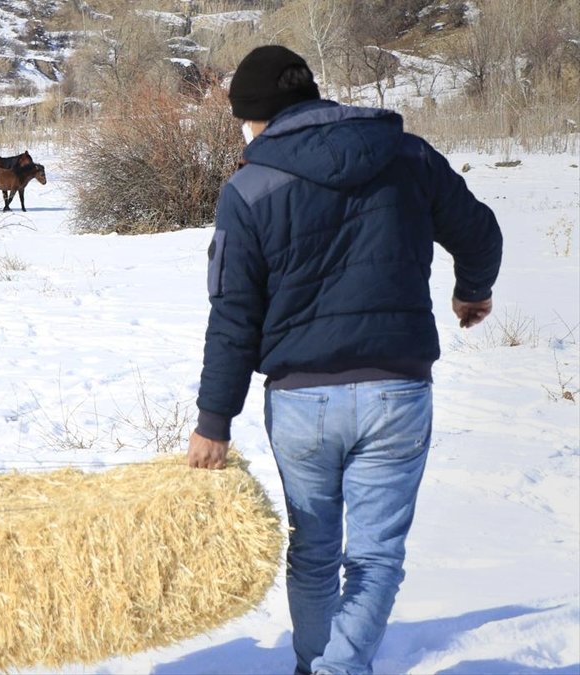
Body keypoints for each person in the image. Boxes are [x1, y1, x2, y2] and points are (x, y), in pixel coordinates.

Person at [187, 46, 502, 674]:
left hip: (302, 399)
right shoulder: (406, 156)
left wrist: (214, 420)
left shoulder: (248, 188)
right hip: (397, 390)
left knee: (313, 551)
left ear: (258, 117)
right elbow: (479, 231)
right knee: (377, 557)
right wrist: (473, 289)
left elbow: (233, 315)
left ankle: (319, 666)